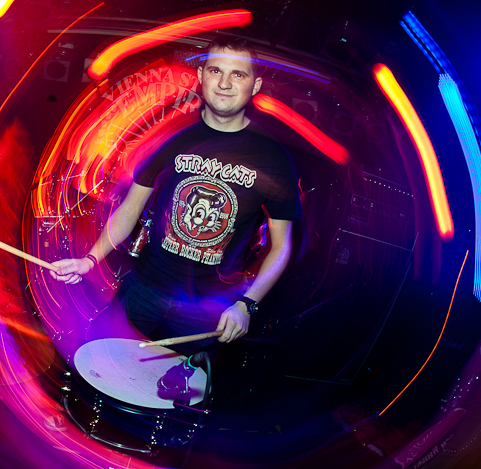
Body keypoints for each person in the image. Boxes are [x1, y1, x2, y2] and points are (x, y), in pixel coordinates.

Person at [51, 37, 299, 354]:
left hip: (207, 308)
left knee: (180, 382)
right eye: (216, 71)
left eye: (238, 74)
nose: (224, 83)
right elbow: (130, 209)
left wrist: (247, 304)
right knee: (98, 358)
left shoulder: (273, 157)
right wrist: (90, 259)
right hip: (144, 288)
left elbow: (281, 245)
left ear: (256, 85)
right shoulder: (171, 137)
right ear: (201, 76)